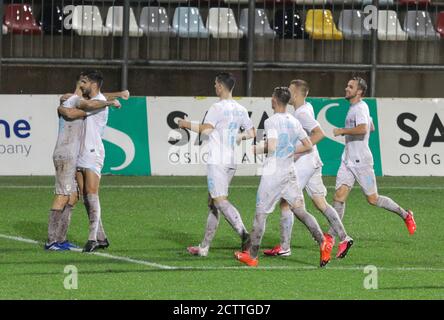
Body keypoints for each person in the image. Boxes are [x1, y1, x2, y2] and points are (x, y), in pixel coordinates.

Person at [235, 87, 332, 268]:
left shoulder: (271, 121)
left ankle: (252, 256)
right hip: (290, 172)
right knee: (300, 211)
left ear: (274, 100)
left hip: (274, 174)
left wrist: (259, 148)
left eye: (272, 97)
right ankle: (322, 241)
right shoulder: (294, 121)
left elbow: (271, 147)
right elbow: (309, 145)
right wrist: (288, 151)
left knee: (260, 214)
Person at [263, 80, 353, 259]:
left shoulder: (302, 113)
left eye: (290, 90)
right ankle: (344, 238)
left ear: (295, 94)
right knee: (320, 202)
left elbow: (319, 134)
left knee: (286, 202)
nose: (287, 93)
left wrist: (296, 150)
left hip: (305, 161)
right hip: (314, 161)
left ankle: (285, 247)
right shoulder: (306, 108)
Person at [328, 77, 416, 240]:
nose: (346, 88)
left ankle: (406, 215)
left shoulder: (360, 108)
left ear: (359, 91)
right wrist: (367, 125)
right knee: (339, 196)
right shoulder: (357, 107)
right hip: (348, 161)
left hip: (362, 162)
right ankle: (331, 236)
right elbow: (370, 127)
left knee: (373, 199)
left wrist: (343, 131)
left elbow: (362, 129)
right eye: (347, 85)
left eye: (350, 86)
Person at [178, 72, 256, 257]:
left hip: (217, 160)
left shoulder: (217, 107)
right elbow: (252, 133)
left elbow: (206, 130)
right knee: (213, 202)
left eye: (215, 84)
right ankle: (204, 247)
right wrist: (239, 136)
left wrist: (185, 124)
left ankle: (245, 234)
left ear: (221, 86)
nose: (214, 87)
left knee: (220, 201)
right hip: (230, 161)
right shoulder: (241, 109)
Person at [46, 78, 122, 251]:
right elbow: (83, 107)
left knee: (73, 197)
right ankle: (51, 241)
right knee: (62, 195)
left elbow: (90, 100)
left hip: (75, 157)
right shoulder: (68, 107)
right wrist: (109, 103)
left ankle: (61, 238)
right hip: (65, 155)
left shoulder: (74, 102)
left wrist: (111, 98)